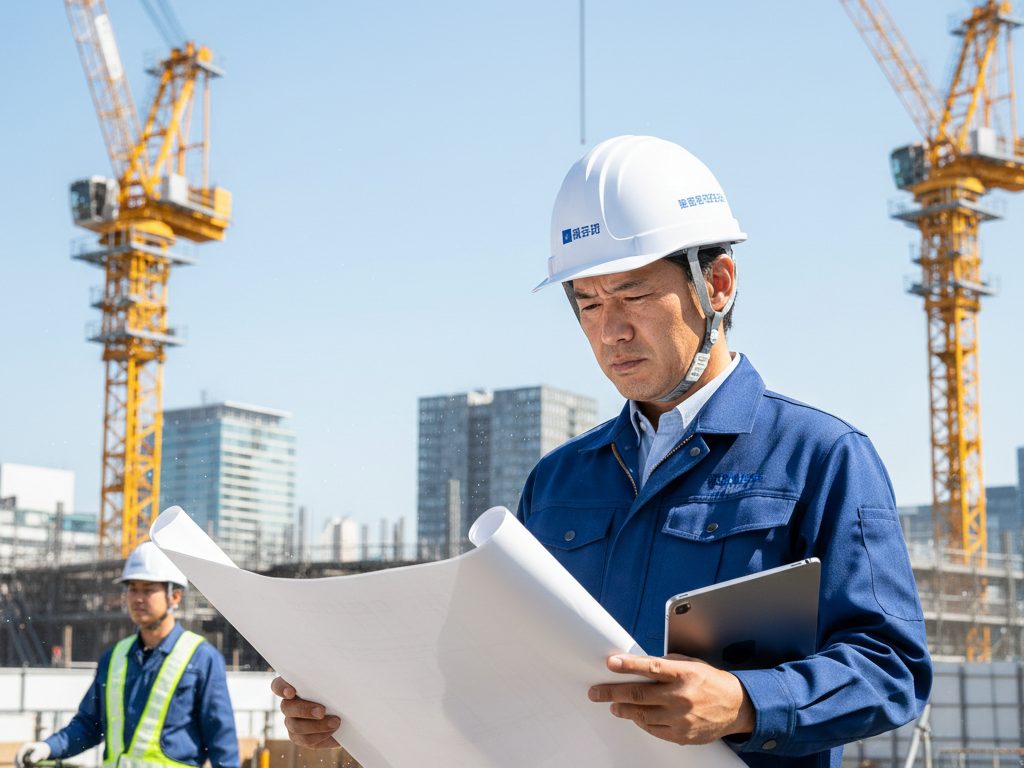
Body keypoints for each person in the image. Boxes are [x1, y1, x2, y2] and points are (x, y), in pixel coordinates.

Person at [271, 135, 933, 767]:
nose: (610, 330)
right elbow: (496, 670)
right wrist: (352, 709)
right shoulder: (558, 480)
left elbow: (893, 670)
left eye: (634, 295)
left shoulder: (821, 458)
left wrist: (745, 703)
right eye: (587, 303)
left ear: (718, 284)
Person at [16, 541, 239, 768]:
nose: (138, 598)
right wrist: (48, 747)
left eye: (148, 589)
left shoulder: (202, 659)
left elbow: (222, 742)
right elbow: (89, 724)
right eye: (132, 588)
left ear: (175, 596)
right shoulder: (114, 657)